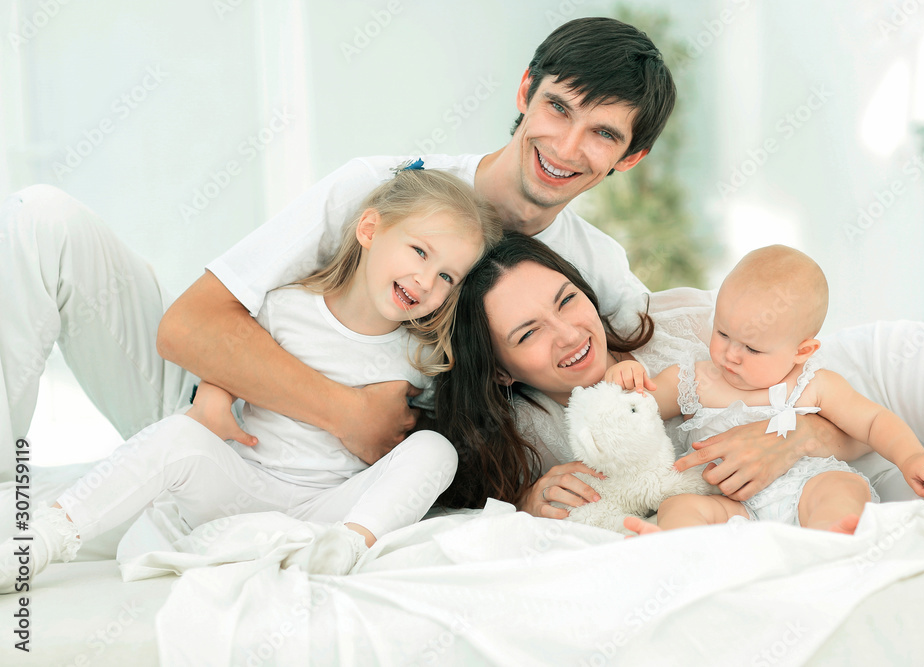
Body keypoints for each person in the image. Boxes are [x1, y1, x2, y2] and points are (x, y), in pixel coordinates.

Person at [0, 17, 673, 481]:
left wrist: (780, 432)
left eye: (602, 134)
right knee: (45, 218)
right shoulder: (383, 186)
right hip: (205, 401)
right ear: (526, 91)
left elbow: (666, 391)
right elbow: (189, 327)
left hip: (317, 476)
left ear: (632, 156)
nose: (565, 146)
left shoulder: (598, 273)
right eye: (559, 108)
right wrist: (345, 412)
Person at [1, 168, 502, 592]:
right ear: (369, 230)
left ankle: (348, 547)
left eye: (447, 277)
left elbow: (418, 447)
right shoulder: (286, 306)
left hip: (325, 509)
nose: (426, 281)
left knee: (437, 450)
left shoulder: (421, 355)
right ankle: (46, 536)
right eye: (419, 252)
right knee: (177, 434)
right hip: (243, 483)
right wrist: (214, 400)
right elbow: (228, 357)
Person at [433, 233, 924, 524]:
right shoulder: (531, 439)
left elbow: (850, 413)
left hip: (883, 381)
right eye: (528, 333)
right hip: (826, 491)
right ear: (500, 370)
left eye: (568, 300)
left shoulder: (680, 326)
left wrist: (791, 439)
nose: (569, 334)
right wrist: (531, 503)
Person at [603, 245, 924, 534]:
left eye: (752, 349)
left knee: (841, 489)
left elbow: (873, 422)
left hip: (805, 486)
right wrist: (625, 380)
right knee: (680, 506)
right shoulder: (694, 378)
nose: (730, 355)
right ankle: (678, 547)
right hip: (731, 503)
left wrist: (911, 456)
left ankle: (832, 540)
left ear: (802, 351)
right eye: (722, 333)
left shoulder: (813, 383)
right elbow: (637, 409)